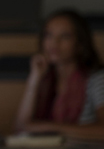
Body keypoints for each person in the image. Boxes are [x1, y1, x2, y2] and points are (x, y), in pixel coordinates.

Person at [15, 9, 104, 139]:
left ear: (80, 44)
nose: (54, 43)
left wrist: (51, 127)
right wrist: (34, 80)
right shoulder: (44, 78)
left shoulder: (97, 79)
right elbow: (20, 127)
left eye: (65, 36)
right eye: (48, 35)